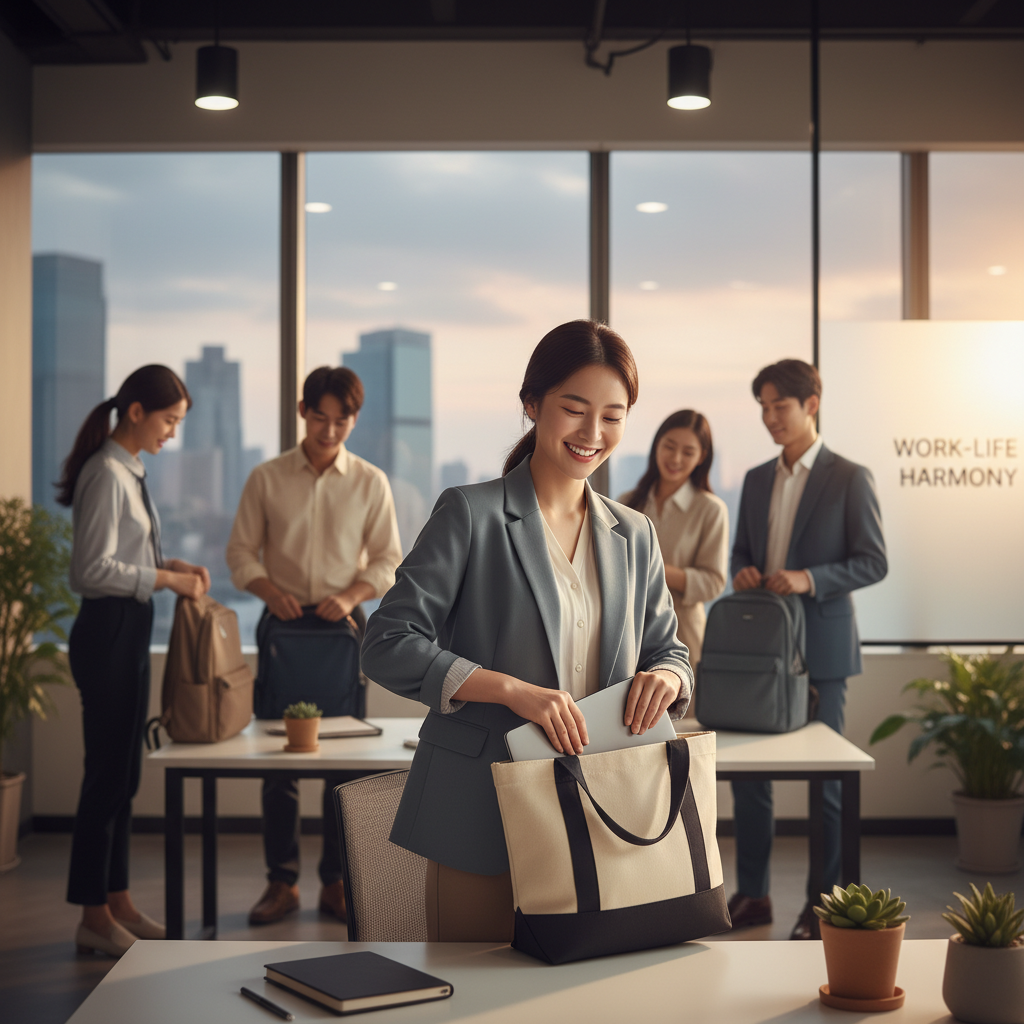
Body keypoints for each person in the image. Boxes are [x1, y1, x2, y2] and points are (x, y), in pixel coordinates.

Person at [360, 319, 693, 943]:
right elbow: (386, 642)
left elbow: (669, 649)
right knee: (474, 994)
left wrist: (669, 676)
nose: (593, 433)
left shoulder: (635, 534)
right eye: (574, 409)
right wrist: (508, 690)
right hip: (481, 809)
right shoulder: (471, 513)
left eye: (613, 416)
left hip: (603, 813)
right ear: (532, 404)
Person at [226, 366, 402, 926]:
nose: (330, 431)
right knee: (278, 764)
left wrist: (352, 593)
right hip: (281, 628)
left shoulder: (371, 481)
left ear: (354, 419)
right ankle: (281, 883)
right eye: (320, 418)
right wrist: (267, 589)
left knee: (344, 764)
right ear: (303, 412)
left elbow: (388, 560)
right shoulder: (266, 477)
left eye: (341, 420)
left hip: (342, 630)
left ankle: (335, 882)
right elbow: (239, 554)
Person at [728, 358, 886, 940]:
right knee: (749, 779)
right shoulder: (753, 479)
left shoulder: (850, 476)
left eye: (779, 406)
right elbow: (741, 550)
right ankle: (753, 895)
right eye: (763, 408)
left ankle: (823, 907)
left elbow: (873, 560)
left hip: (822, 650)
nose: (770, 418)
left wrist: (809, 578)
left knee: (829, 782)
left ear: (810, 404)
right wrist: (744, 571)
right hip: (762, 652)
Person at [61, 365, 211, 958]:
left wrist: (169, 565)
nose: (172, 432)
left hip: (129, 628)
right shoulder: (105, 473)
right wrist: (165, 578)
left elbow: (123, 555)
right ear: (136, 412)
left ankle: (117, 900)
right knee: (104, 778)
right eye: (169, 420)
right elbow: (89, 571)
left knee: (125, 775)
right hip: (107, 632)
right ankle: (91, 915)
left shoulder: (130, 469)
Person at [621, 410, 728, 666]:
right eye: (669, 446)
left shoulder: (710, 509)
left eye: (688, 452)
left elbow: (713, 582)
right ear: (657, 445)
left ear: (702, 457)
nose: (676, 458)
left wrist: (656, 570)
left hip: (683, 638)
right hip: (628, 634)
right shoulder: (626, 503)